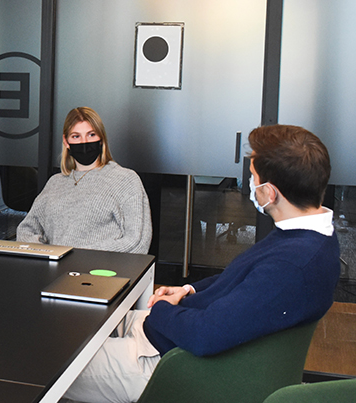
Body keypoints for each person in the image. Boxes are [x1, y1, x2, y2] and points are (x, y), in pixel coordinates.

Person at [63, 124, 340, 403]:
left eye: (253, 178)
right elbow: (239, 281)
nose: (250, 185)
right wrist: (188, 290)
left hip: (166, 360)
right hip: (167, 331)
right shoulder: (308, 236)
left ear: (271, 193)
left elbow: (205, 335)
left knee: (48, 361)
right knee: (75, 324)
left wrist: (161, 309)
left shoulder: (291, 265)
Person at [17, 107, 151, 254]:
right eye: (76, 136)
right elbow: (26, 230)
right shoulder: (55, 182)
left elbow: (137, 241)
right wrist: (49, 255)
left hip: (101, 273)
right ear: (66, 141)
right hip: (57, 272)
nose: (84, 142)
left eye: (91, 135)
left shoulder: (125, 180)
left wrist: (81, 256)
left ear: (101, 139)